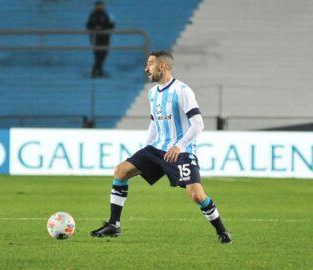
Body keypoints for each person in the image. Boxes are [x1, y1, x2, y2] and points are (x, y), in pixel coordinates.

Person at [90, 50, 232, 244]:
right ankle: (114, 224)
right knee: (121, 171)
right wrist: (144, 150)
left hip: (181, 152)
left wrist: (179, 146)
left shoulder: (182, 91)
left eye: (150, 64)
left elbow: (198, 123)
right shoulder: (152, 93)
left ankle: (222, 231)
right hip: (157, 149)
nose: (146, 68)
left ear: (162, 66)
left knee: (197, 195)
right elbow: (155, 123)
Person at [86, 1, 115, 78]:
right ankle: (96, 72)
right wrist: (96, 27)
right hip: (95, 38)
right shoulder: (93, 15)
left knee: (103, 55)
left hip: (105, 38)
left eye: (101, 5)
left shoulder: (106, 15)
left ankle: (97, 71)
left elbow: (111, 25)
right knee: (98, 56)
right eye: (98, 6)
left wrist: (103, 28)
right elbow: (88, 25)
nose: (100, 7)